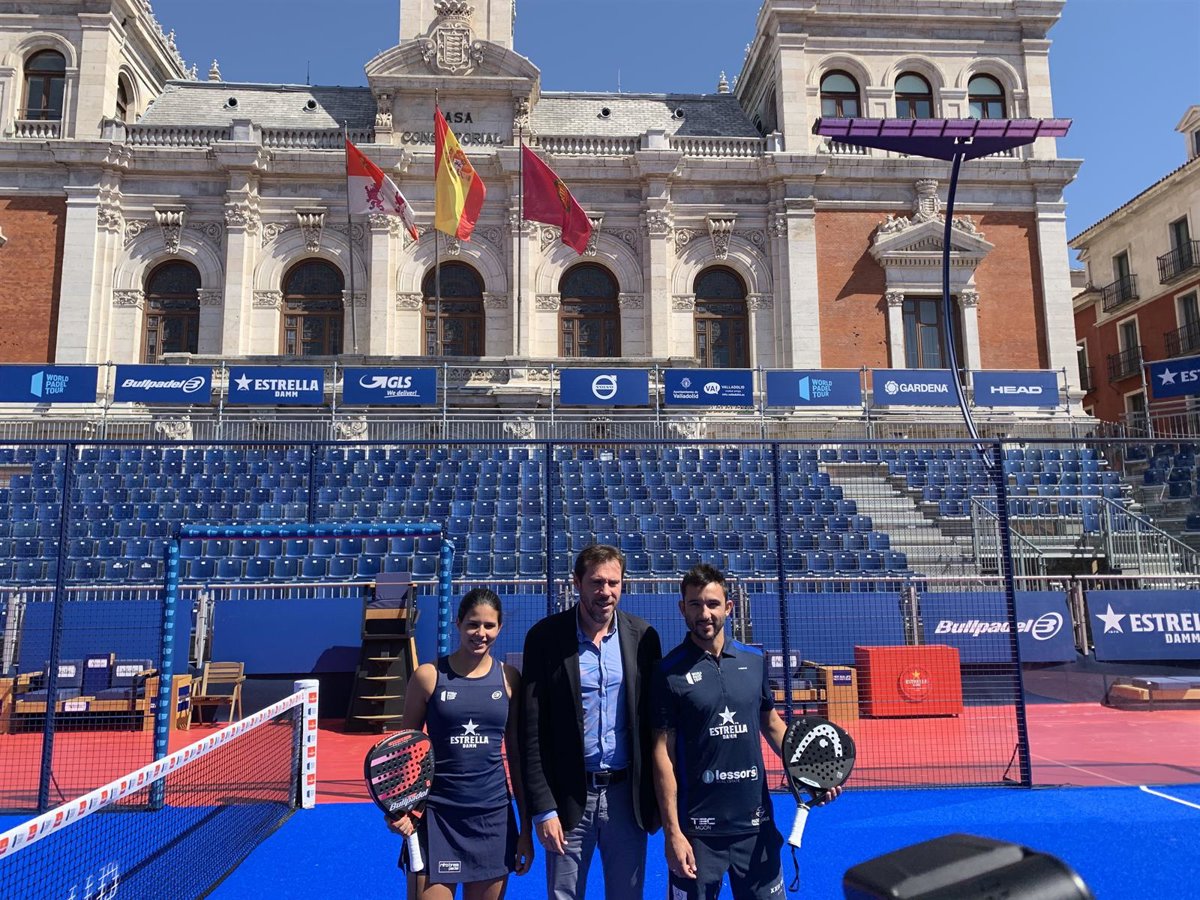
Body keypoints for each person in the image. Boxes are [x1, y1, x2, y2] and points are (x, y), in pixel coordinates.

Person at [652, 564, 841, 900]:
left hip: (756, 827)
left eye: (712, 604)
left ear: (729, 607)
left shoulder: (754, 661)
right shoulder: (667, 672)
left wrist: (811, 775)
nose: (704, 614)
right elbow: (663, 755)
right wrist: (673, 834)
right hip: (697, 832)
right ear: (682, 608)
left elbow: (773, 725)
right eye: (695, 604)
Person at [519, 544, 663, 899]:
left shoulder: (644, 637)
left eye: (614, 583)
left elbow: (653, 725)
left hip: (626, 799)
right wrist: (543, 809)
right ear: (577, 583)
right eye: (597, 582)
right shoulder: (545, 639)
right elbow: (531, 731)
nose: (606, 592)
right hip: (568, 799)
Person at [389, 588, 533, 900]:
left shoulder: (510, 679)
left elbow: (517, 757)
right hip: (436, 817)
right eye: (472, 624)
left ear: (500, 628)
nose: (480, 633)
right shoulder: (428, 676)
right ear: (458, 624)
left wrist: (525, 830)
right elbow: (404, 752)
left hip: (493, 820)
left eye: (489, 625)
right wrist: (398, 810)